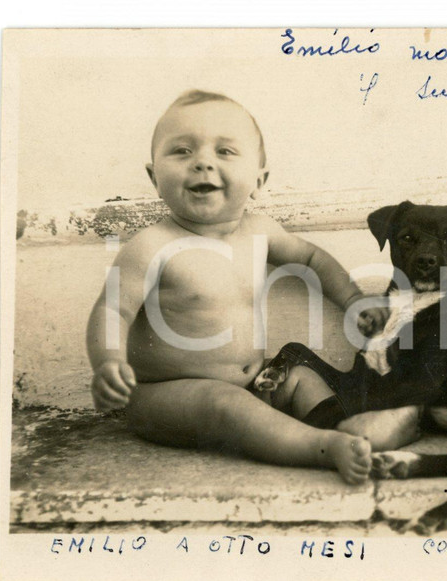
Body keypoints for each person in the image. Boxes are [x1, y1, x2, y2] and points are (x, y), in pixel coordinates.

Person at [86, 89, 388, 484]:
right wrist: (108, 362)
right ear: (154, 178)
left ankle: (343, 434)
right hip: (166, 397)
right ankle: (319, 449)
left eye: (225, 152)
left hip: (253, 382)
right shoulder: (151, 245)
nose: (203, 163)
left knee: (299, 378)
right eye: (181, 151)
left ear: (259, 180)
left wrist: (352, 300)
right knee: (222, 402)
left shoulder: (260, 231)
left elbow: (312, 259)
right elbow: (112, 309)